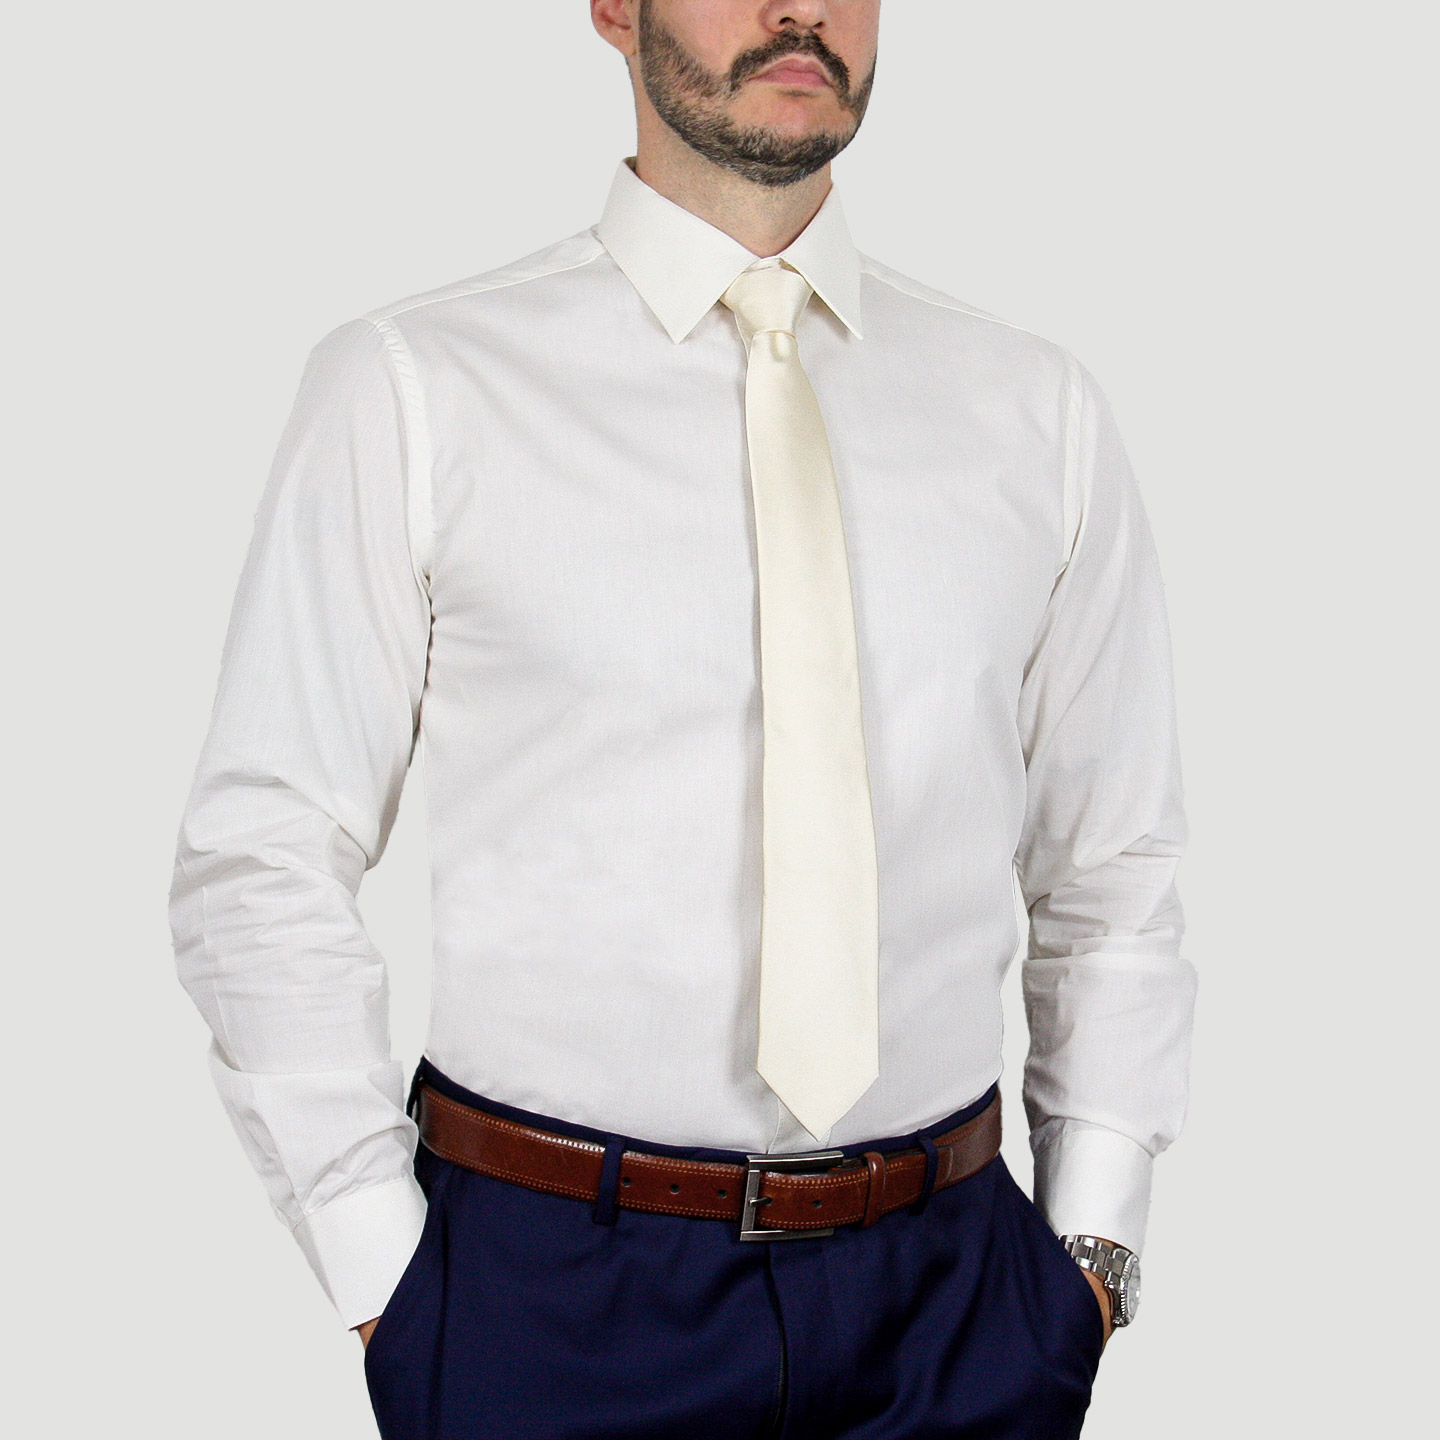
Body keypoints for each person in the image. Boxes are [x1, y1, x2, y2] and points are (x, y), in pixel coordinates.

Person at [168, 2, 1197, 1436]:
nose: (800, 9)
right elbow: (262, 853)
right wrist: (388, 1279)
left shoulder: (1036, 410)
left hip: (956, 1301)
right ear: (612, 5)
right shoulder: (416, 388)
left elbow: (1112, 869)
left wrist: (1089, 1250)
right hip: (549, 1295)